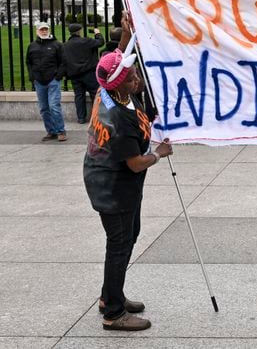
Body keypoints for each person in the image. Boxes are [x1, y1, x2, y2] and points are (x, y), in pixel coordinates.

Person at [83, 41, 174, 331]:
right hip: (114, 187)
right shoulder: (119, 119)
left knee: (128, 236)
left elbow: (111, 68)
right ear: (120, 86)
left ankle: (111, 294)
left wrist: (124, 37)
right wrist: (159, 153)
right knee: (120, 244)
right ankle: (113, 313)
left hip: (113, 182)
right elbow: (135, 163)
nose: (138, 79)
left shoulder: (108, 91)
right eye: (132, 77)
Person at [26, 21, 67, 142]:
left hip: (53, 80)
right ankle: (51, 131)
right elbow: (28, 62)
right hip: (39, 81)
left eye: (45, 29)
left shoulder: (57, 45)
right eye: (41, 29)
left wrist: (58, 76)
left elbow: (63, 62)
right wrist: (32, 76)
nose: (44, 31)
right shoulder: (32, 46)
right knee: (44, 108)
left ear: (48, 30)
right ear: (37, 31)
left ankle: (60, 131)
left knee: (54, 106)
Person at [63, 23, 105, 124]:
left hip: (75, 74)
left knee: (79, 95)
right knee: (94, 94)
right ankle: (96, 116)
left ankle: (81, 118)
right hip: (89, 72)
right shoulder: (86, 41)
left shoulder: (65, 45)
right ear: (80, 31)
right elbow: (100, 42)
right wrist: (97, 33)